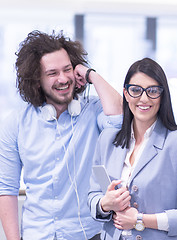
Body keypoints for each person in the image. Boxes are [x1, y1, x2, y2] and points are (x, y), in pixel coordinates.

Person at [0, 30, 123, 240]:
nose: (63, 78)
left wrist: (90, 74)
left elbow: (119, 115)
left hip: (87, 233)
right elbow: (7, 188)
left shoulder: (92, 111)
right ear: (37, 80)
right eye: (52, 73)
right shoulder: (16, 123)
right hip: (37, 234)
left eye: (67, 70)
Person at [88, 58, 177, 240]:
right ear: (126, 94)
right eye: (136, 90)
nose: (144, 98)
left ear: (162, 96)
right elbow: (92, 196)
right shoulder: (107, 139)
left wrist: (140, 220)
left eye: (152, 91)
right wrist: (105, 204)